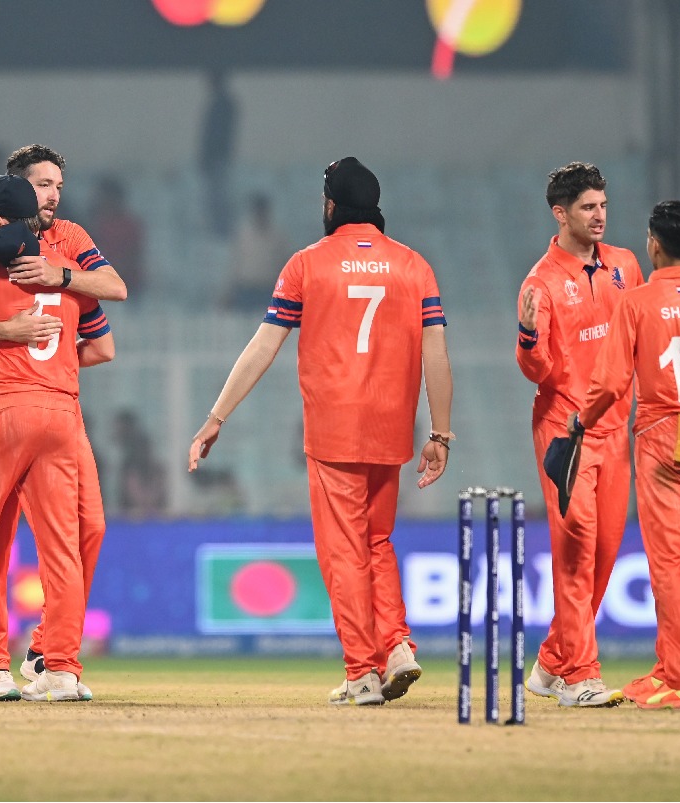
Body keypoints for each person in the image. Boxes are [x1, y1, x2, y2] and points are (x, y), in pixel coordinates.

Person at [188, 157, 453, 706]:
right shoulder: (414, 266)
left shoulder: (308, 264)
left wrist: (217, 416)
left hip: (334, 429)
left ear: (331, 204)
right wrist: (441, 435)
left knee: (343, 553)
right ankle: (397, 646)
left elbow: (264, 344)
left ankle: (361, 671)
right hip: (391, 426)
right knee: (377, 543)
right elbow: (437, 356)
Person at [0, 143, 126, 701]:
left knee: (75, 529)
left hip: (35, 403)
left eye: (58, 184)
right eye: (42, 185)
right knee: (9, 537)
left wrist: (61, 276)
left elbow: (114, 292)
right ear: (17, 190)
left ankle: (33, 652)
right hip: (22, 401)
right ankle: (2, 660)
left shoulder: (71, 243)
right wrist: (13, 338)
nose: (53, 194)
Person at [515, 161, 643, 708]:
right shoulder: (541, 282)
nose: (599, 216)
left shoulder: (625, 266)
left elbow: (640, 339)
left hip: (617, 431)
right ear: (560, 213)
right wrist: (527, 336)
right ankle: (579, 676)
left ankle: (549, 662)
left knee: (605, 553)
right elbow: (537, 372)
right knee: (575, 550)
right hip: (566, 432)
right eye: (588, 207)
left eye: (603, 205)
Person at [572, 201, 680, 709]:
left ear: (654, 244)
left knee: (669, 562)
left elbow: (609, 382)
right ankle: (673, 666)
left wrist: (581, 421)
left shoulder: (639, 302)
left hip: (664, 431)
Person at [225, 193, 293, 312]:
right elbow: (235, 263)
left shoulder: (277, 236)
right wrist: (228, 291)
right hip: (246, 289)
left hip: (267, 289)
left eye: (263, 212)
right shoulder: (244, 234)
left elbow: (283, 264)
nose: (260, 215)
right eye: (258, 212)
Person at [198, 70, 237, 237]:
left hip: (218, 158)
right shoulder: (220, 103)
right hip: (215, 158)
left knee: (219, 195)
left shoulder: (223, 105)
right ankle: (218, 228)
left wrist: (210, 156)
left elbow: (217, 135)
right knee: (214, 195)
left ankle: (221, 229)